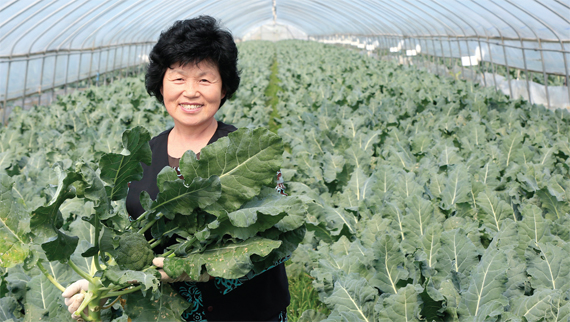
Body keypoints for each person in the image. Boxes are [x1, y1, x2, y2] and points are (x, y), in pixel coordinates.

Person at [63, 16, 290, 322]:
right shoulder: (141, 157)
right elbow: (136, 248)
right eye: (179, 78)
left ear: (223, 89)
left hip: (246, 312)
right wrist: (100, 287)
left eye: (205, 79)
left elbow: (278, 244)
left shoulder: (249, 155)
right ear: (161, 85)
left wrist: (196, 270)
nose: (191, 92)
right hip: (166, 313)